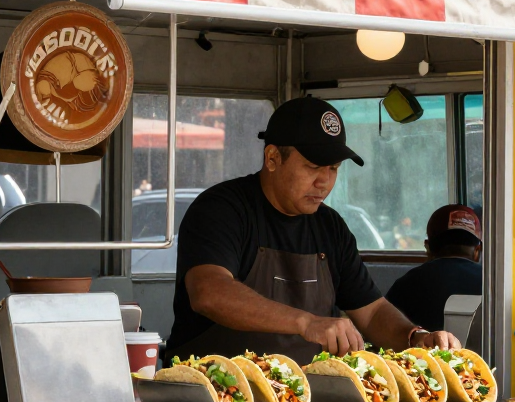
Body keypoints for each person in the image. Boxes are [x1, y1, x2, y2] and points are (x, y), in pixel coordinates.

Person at [164, 97, 458, 360]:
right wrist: (306, 322)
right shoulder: (223, 209)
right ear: (272, 158)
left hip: (304, 400)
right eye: (312, 167)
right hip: (213, 396)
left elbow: (371, 312)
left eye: (333, 169)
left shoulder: (330, 227)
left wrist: (416, 337)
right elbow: (209, 292)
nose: (324, 182)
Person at [385, 204, 483, 332]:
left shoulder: (405, 284)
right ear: (477, 251)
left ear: (427, 247)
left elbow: (384, 328)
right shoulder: (492, 286)